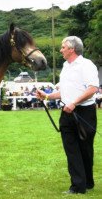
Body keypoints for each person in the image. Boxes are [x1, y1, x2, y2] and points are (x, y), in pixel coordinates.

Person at [36, 36, 99, 194]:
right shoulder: (65, 66)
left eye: (63, 47)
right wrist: (47, 96)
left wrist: (74, 103)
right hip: (67, 113)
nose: (61, 50)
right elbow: (64, 92)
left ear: (72, 49)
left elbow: (92, 89)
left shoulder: (86, 65)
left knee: (86, 149)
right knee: (71, 149)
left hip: (85, 112)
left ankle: (87, 182)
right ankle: (78, 186)